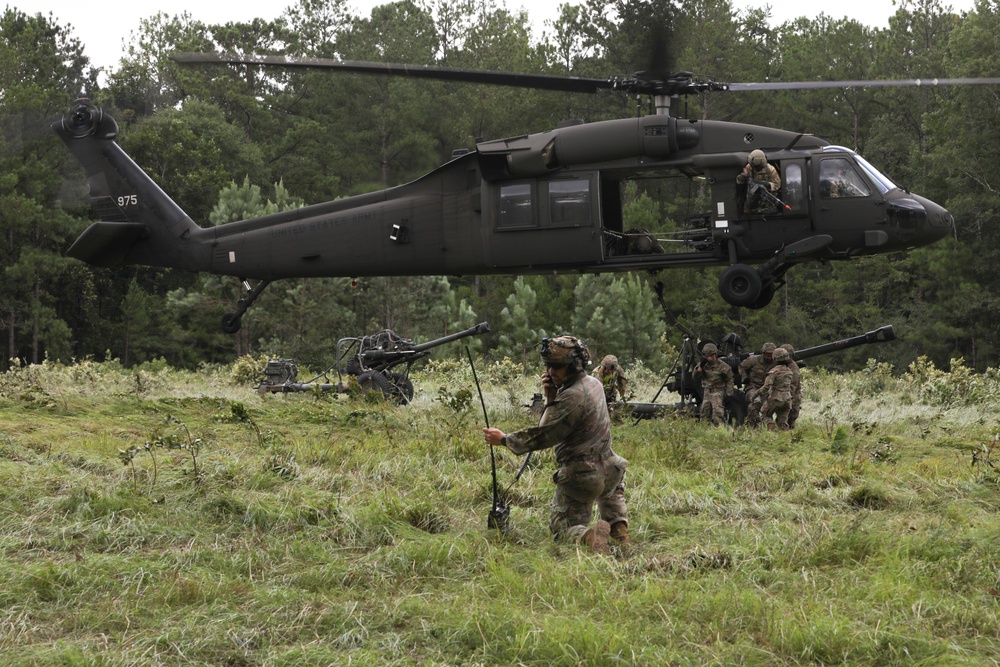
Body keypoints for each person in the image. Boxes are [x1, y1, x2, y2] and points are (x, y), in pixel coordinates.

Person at [483, 335, 629, 554]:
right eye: (548, 366)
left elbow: (545, 434)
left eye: (557, 367)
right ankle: (621, 536)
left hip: (583, 476)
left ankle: (591, 538)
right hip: (611, 468)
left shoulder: (572, 396)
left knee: (563, 528)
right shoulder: (595, 384)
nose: (550, 372)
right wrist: (551, 399)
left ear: (573, 367)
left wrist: (504, 440)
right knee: (610, 498)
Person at [692, 343, 734, 426]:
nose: (709, 358)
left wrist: (729, 392)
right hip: (706, 391)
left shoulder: (723, 366)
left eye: (711, 356)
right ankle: (705, 433)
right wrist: (698, 370)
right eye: (707, 356)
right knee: (704, 412)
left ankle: (718, 433)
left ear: (715, 355)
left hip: (718, 391)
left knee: (717, 414)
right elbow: (694, 377)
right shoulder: (703, 365)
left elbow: (730, 379)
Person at [740, 342, 776, 427]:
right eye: (767, 355)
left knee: (769, 406)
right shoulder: (753, 360)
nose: (769, 357)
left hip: (767, 389)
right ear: (763, 353)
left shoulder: (776, 363)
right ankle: (751, 426)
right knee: (756, 402)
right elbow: (741, 366)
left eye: (771, 355)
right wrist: (744, 377)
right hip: (753, 387)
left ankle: (766, 425)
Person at [759, 347, 794, 430]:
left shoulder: (773, 371)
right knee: (782, 421)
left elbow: (767, 386)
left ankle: (772, 429)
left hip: (775, 399)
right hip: (787, 399)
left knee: (765, 415)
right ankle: (784, 437)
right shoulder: (789, 371)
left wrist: (757, 393)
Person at [737, 149, 781, 214]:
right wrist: (741, 178)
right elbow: (741, 182)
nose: (755, 169)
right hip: (752, 199)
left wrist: (767, 184)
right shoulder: (749, 167)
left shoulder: (771, 170)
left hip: (766, 201)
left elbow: (777, 185)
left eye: (757, 167)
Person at [780, 343, 802, 429]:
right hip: (781, 393)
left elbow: (793, 385)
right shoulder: (778, 364)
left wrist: (785, 396)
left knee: (792, 417)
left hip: (792, 394)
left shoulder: (793, 368)